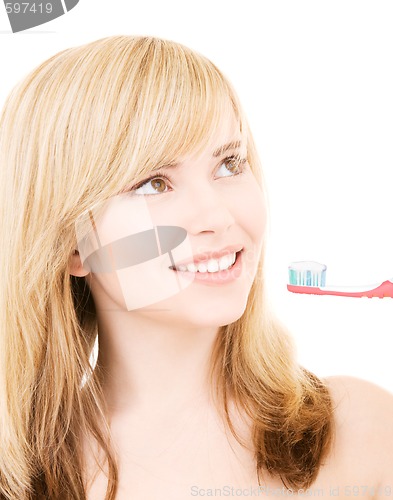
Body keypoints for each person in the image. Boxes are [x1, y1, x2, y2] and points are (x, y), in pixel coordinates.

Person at [0, 35, 392, 500]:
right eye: (153, 183)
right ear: (73, 247)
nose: (217, 217)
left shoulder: (363, 434)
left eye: (229, 164)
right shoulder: (21, 482)